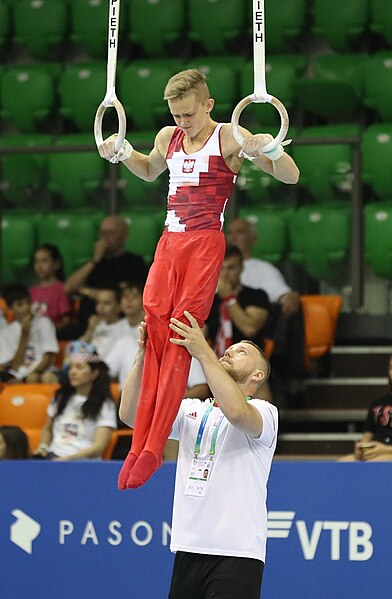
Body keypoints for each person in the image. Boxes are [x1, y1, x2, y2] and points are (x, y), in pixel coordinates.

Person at [98, 68, 298, 488]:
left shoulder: (228, 137)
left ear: (208, 104)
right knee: (153, 326)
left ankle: (153, 448)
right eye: (176, 114)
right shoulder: (166, 137)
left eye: (189, 113)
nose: (183, 122)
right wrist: (121, 152)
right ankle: (138, 444)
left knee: (178, 334)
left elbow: (290, 175)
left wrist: (272, 150)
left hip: (205, 243)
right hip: (169, 241)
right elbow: (150, 170)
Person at [119, 312, 278, 598]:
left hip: (236, 553)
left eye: (240, 352)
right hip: (188, 548)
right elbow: (131, 415)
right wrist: (142, 355)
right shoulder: (192, 409)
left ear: (258, 375)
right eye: (228, 349)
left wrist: (203, 350)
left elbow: (238, 412)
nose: (229, 351)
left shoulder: (266, 413)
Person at [34, 341, 117, 461]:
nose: (72, 372)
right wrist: (43, 447)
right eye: (70, 367)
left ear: (94, 373)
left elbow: (99, 447)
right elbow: (47, 428)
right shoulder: (60, 397)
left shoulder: (105, 404)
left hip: (84, 462)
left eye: (79, 367)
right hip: (54, 457)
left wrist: (69, 458)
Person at [64, 215, 147, 334]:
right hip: (87, 325)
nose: (105, 239)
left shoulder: (135, 263)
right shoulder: (94, 263)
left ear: (124, 235)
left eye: (110, 233)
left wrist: (88, 291)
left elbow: (127, 293)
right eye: (102, 234)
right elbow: (69, 288)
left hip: (118, 328)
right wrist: (95, 260)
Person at [227, 218, 300, 315]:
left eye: (239, 232)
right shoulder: (212, 267)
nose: (233, 238)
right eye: (229, 233)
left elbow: (284, 296)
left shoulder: (264, 269)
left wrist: (291, 297)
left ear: (253, 239)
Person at [0, 284, 59, 383]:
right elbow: (15, 366)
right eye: (20, 304)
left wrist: (30, 376)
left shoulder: (44, 322)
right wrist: (24, 335)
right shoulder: (6, 332)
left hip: (41, 372)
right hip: (18, 376)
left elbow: (48, 357)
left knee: (39, 378)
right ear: (10, 309)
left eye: (28, 302)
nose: (26, 307)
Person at [339, 355, 392, 462]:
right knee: (343, 463)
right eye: (391, 368)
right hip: (375, 450)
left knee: (375, 463)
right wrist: (362, 446)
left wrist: (386, 450)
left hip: (386, 452)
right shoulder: (377, 404)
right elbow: (368, 433)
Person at [29, 244, 73, 332]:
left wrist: (47, 331)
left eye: (44, 261)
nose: (39, 266)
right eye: (36, 261)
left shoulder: (62, 289)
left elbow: (66, 322)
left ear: (57, 264)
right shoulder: (31, 291)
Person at [80, 286, 123, 359]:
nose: (101, 307)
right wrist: (90, 330)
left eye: (107, 303)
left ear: (119, 306)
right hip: (89, 365)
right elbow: (76, 351)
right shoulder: (95, 326)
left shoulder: (124, 327)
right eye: (98, 302)